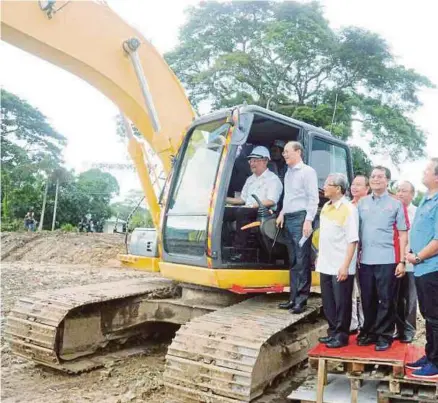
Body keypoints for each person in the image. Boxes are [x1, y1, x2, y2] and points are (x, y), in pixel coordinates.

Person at [356, 166, 408, 351]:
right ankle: (368, 332)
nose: (376, 179)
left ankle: (384, 335)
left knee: (386, 299)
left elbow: (402, 234)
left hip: (388, 259)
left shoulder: (395, 204)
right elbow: (356, 233)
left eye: (380, 176)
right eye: (373, 176)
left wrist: (402, 261)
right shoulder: (362, 204)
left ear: (387, 181)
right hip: (366, 260)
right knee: (368, 298)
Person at [316, 173, 359, 348]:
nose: (324, 187)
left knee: (342, 302)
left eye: (328, 184)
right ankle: (333, 331)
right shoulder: (326, 206)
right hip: (325, 263)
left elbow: (352, 240)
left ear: (338, 189)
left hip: (340, 265)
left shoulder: (348, 209)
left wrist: (345, 266)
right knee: (328, 302)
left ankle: (342, 335)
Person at [277, 141, 319, 314]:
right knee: (293, 260)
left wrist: (308, 220)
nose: (284, 154)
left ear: (298, 152)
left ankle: (301, 301)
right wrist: (281, 213)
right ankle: (293, 298)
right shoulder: (288, 173)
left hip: (301, 218)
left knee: (302, 260)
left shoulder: (307, 172)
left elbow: (313, 198)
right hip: (288, 217)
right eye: (284, 152)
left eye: (287, 151)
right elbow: (288, 197)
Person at [405, 158, 438, 379]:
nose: (423, 172)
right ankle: (430, 354)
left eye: (427, 169)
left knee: (435, 316)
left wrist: (417, 257)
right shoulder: (426, 200)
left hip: (431, 267)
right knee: (427, 314)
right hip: (421, 268)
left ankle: (436, 362)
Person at [225, 146, 283, 256]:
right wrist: (223, 200)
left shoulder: (273, 179)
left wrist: (252, 206)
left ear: (265, 161)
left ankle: (239, 251)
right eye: (250, 160)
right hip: (247, 209)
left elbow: (271, 201)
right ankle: (225, 244)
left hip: (263, 212)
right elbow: (242, 199)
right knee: (223, 212)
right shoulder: (250, 179)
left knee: (242, 212)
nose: (251, 163)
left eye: (255, 160)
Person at [395, 180, 418, 343]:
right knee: (395, 298)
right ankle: (399, 328)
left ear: (412, 194)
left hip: (411, 261)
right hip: (394, 260)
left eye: (404, 191)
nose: (400, 194)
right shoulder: (393, 211)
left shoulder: (417, 212)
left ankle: (409, 330)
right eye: (398, 190)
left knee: (410, 298)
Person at [349, 175, 369, 334]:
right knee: (349, 290)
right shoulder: (347, 206)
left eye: (359, 185)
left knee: (364, 291)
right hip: (348, 254)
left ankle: (365, 323)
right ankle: (352, 324)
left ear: (367, 189)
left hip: (365, 253)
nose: (354, 187)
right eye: (353, 184)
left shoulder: (368, 206)